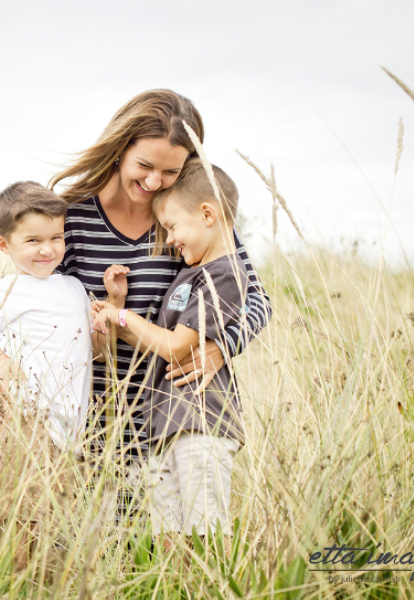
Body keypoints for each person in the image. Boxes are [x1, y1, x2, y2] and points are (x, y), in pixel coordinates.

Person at [47, 89, 271, 519]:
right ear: (119, 149)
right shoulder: (71, 216)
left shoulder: (188, 216)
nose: (153, 183)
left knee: (168, 552)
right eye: (144, 166)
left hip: (167, 418)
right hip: (91, 419)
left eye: (170, 171)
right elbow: (39, 299)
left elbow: (255, 297)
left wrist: (222, 345)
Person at [90, 159, 247, 546]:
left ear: (207, 213)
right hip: (165, 425)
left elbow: (177, 345)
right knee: (168, 536)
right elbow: (160, 341)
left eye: (173, 227)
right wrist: (115, 309)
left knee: (206, 530)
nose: (171, 238)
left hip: (201, 422)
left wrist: (123, 316)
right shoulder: (190, 273)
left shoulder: (224, 275)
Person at [0, 181, 92, 570]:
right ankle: (14, 581)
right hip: (22, 421)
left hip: (70, 432)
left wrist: (114, 303)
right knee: (23, 519)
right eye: (33, 240)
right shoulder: (2, 291)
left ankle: (40, 584)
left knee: (56, 526)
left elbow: (91, 348)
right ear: (4, 245)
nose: (48, 249)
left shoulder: (75, 288)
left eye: (56, 237)